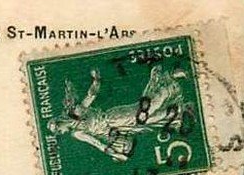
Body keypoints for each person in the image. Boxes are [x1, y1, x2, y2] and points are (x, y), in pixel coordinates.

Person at [48, 65, 191, 163]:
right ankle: (178, 109)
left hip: (113, 118)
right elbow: (97, 143)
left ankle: (171, 77)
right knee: (149, 120)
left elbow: (91, 96)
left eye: (60, 130)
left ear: (61, 123)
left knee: (145, 110)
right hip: (118, 130)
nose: (62, 133)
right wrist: (117, 154)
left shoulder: (76, 113)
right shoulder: (77, 133)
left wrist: (97, 80)